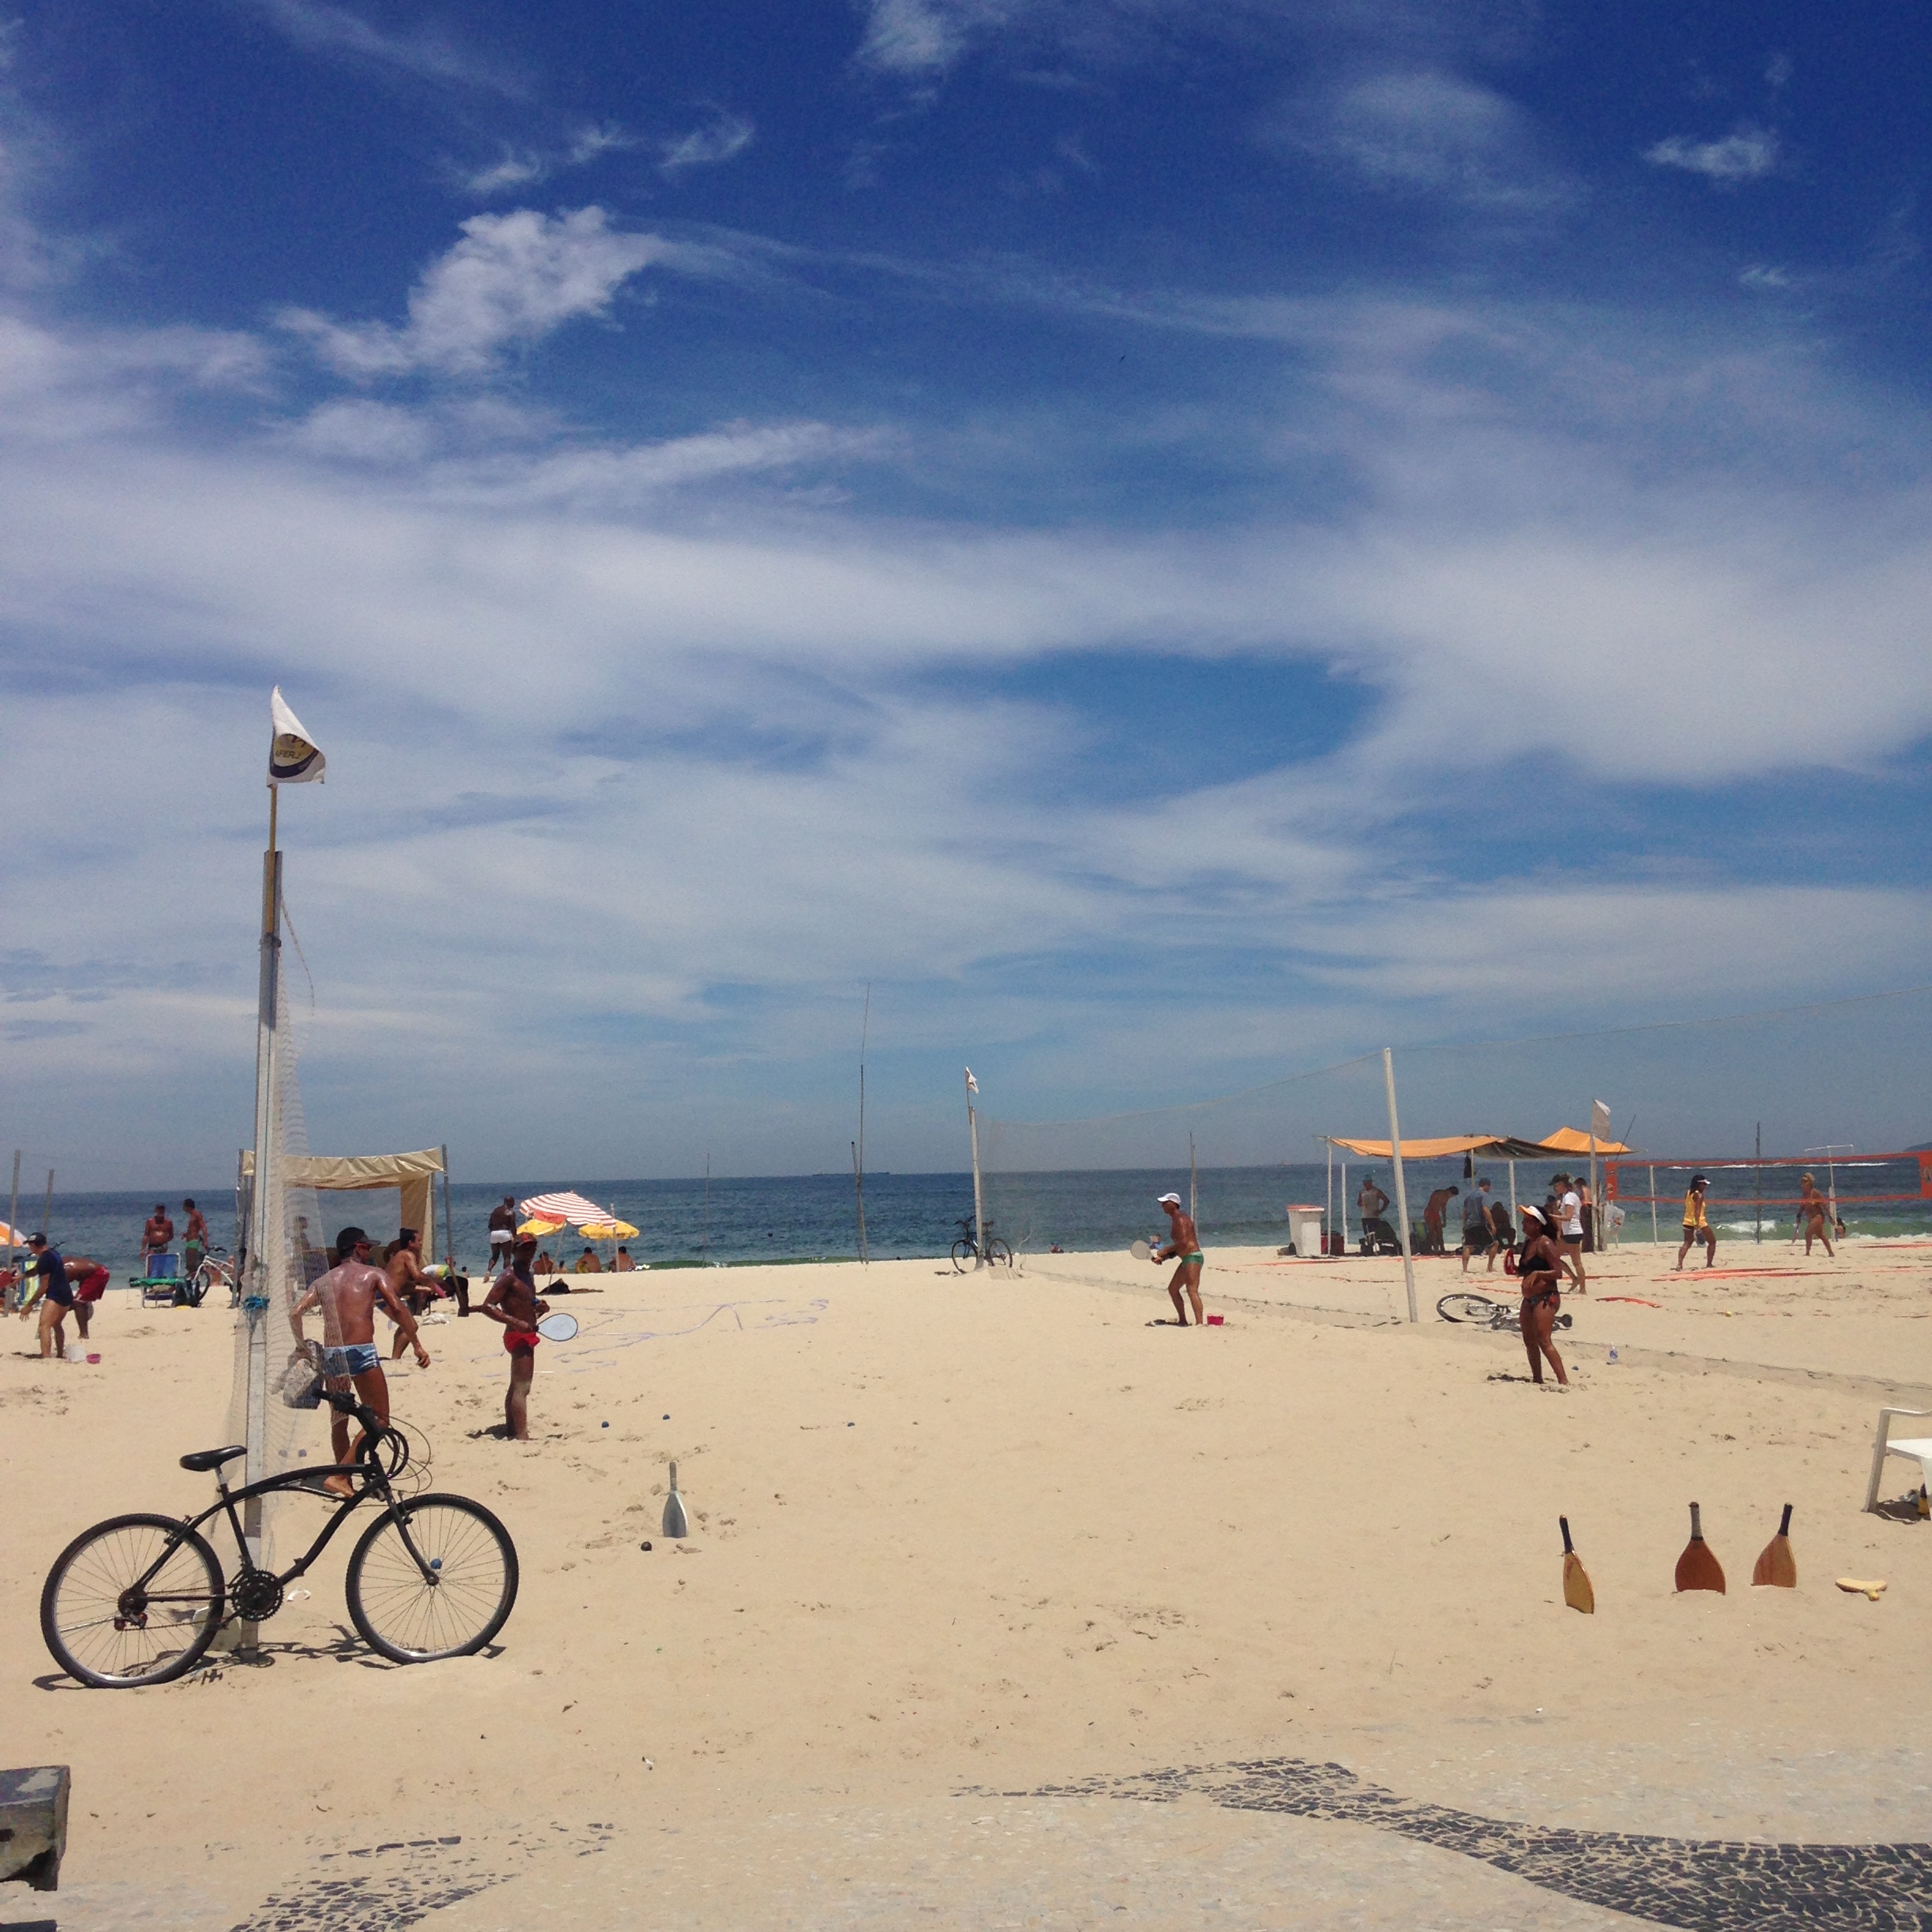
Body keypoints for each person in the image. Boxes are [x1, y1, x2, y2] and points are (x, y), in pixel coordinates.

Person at [291, 1225, 430, 1496]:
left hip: (333, 1356)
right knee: (380, 1418)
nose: (370, 1253)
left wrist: (301, 1347)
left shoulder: (324, 1280)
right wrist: (416, 1344)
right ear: (358, 1248)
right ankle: (340, 1476)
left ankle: (346, 1480)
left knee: (339, 1421)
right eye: (367, 1248)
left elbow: (295, 1312)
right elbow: (398, 1308)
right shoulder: (373, 1274)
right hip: (360, 1352)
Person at [481, 1234, 549, 1441]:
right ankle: (521, 1434)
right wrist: (516, 1322)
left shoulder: (527, 1275)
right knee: (522, 1387)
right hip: (517, 1335)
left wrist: (540, 1307)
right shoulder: (508, 1276)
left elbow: (527, 1301)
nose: (529, 1253)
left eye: (532, 1248)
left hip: (527, 1332)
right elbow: (487, 1306)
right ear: (514, 1251)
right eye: (525, 1249)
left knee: (516, 1384)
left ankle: (512, 1428)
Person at [1515, 1206, 1568, 1387]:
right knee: (1529, 1341)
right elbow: (1525, 1271)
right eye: (1524, 1221)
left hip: (1546, 1297)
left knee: (1544, 1340)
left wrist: (1538, 1273)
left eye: (1528, 1221)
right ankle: (1537, 1378)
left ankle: (1563, 1380)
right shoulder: (1528, 1243)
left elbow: (1558, 1272)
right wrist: (1516, 1270)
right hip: (1529, 1299)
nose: (1524, 1224)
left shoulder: (1545, 1243)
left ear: (1538, 1224)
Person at [384, 1227, 447, 1357]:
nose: (421, 1243)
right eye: (419, 1241)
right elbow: (418, 1275)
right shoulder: (407, 1255)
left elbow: (403, 1285)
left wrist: (422, 1288)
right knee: (410, 1326)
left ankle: (395, 1357)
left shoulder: (400, 1256)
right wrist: (431, 1283)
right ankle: (395, 1358)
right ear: (411, 1243)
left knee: (406, 1325)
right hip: (386, 1296)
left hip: (386, 1295)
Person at [1149, 1190, 1205, 1327]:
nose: (1162, 1205)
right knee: (1173, 1289)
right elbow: (1179, 1248)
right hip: (1186, 1259)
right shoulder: (1175, 1220)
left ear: (1173, 1204)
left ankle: (1200, 1324)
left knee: (1192, 1290)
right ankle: (1183, 1321)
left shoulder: (1181, 1219)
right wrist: (1164, 1258)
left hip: (1193, 1257)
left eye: (1165, 1203)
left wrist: (1165, 1250)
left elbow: (1184, 1242)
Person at [18, 1234, 73, 1360]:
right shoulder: (53, 1254)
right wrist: (23, 1276)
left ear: (33, 1245)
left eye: (30, 1245)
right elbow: (38, 1269)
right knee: (57, 1324)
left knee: (44, 1326)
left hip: (55, 1295)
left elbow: (44, 1286)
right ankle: (60, 1354)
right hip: (66, 1294)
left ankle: (46, 1357)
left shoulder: (44, 1259)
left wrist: (29, 1305)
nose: (29, 1248)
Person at [1676, 1175, 1717, 1270]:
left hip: (1687, 1222)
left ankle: (1679, 1264)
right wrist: (1697, 1225)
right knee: (1712, 1242)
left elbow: (1689, 1207)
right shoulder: (1699, 1195)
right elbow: (1697, 1211)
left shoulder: (1688, 1193)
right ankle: (1709, 1264)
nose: (1705, 1186)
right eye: (1704, 1184)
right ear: (1699, 1184)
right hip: (1699, 1222)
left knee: (1687, 1243)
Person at [65, 1256, 110, 1340]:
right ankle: (85, 1309)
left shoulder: (67, 1269)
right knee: (77, 1301)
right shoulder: (63, 1263)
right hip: (100, 1272)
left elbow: (64, 1287)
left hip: (98, 1274)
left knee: (78, 1302)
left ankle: (84, 1334)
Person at [1555, 1175, 1587, 1292]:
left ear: (1563, 1185)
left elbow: (1568, 1217)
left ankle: (1582, 1288)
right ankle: (1575, 1279)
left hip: (1573, 1233)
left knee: (1576, 1262)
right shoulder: (1569, 1196)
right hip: (1570, 1232)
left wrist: (1552, 1216)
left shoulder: (1569, 1197)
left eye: (1557, 1185)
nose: (1556, 1187)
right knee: (1554, 1256)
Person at [1459, 1179, 1499, 1272]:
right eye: (1489, 1187)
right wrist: (1492, 1225)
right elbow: (1485, 1209)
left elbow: (1464, 1212)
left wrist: (1464, 1225)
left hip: (1469, 1224)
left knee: (1468, 1246)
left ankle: (1465, 1269)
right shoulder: (1483, 1195)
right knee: (1494, 1243)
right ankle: (1490, 1267)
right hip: (1480, 1224)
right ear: (1486, 1186)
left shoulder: (1469, 1196)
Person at [1795, 1173, 1836, 1258]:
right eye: (1802, 1182)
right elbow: (1802, 1207)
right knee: (1821, 1235)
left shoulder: (1815, 1193)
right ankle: (1831, 1253)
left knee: (1808, 1233)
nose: (1802, 1184)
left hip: (1818, 1216)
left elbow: (1824, 1205)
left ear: (1809, 1183)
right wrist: (1798, 1216)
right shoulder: (1804, 1194)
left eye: (1804, 1182)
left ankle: (1807, 1253)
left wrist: (1830, 1217)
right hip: (1811, 1217)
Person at [1357, 1174, 1390, 1253]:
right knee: (1367, 1234)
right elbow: (1358, 1203)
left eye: (1367, 1182)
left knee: (1376, 1234)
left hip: (1374, 1216)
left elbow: (1386, 1201)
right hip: (1365, 1216)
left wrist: (1381, 1211)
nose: (1365, 1184)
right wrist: (1361, 1204)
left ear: (1370, 1182)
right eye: (1364, 1183)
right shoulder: (1362, 1192)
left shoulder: (1376, 1191)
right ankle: (1370, 1249)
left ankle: (1379, 1249)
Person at [1423, 1185, 1459, 1254]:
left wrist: (1444, 1219)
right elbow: (1431, 1204)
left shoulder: (1446, 1197)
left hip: (1436, 1213)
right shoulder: (1438, 1193)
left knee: (1440, 1233)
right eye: (1451, 1195)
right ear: (1449, 1191)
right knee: (1431, 1232)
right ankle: (1428, 1249)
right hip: (1430, 1212)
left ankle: (1442, 1249)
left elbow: (1443, 1208)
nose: (1451, 1197)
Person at [140, 1203, 174, 1275]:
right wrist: (143, 1249)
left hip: (163, 1246)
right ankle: (148, 1277)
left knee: (161, 1264)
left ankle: (160, 1278)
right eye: (159, 1209)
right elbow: (146, 1235)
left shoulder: (168, 1222)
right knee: (150, 1263)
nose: (161, 1211)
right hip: (153, 1245)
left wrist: (164, 1240)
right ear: (156, 1210)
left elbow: (171, 1235)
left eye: (162, 1209)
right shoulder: (150, 1222)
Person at [488, 1196, 518, 1275]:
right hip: (505, 1233)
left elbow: (490, 1225)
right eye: (513, 1202)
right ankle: (506, 1274)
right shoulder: (511, 1212)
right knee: (507, 1257)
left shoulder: (495, 1211)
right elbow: (513, 1226)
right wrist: (515, 1237)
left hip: (494, 1233)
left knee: (495, 1256)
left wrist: (493, 1233)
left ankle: (489, 1270)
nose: (514, 1204)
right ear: (509, 1202)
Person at [182, 1199, 209, 1279]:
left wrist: (205, 1241)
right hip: (190, 1241)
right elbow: (193, 1229)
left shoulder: (197, 1214)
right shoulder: (192, 1215)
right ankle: (193, 1280)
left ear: (187, 1207)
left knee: (192, 1264)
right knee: (190, 1264)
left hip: (194, 1241)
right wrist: (186, 1235)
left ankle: (194, 1281)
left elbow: (203, 1228)